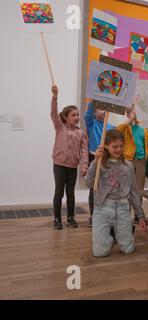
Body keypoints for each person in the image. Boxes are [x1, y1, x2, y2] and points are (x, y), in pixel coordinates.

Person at [85, 129, 147, 257]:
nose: (118, 149)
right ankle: (111, 236)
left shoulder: (128, 166)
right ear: (106, 146)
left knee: (128, 249)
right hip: (102, 208)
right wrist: (95, 161)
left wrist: (140, 215)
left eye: (121, 146)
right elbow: (88, 183)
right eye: (115, 146)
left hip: (123, 208)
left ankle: (123, 233)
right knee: (99, 252)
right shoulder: (99, 163)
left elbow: (134, 192)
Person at [50, 85, 88, 230]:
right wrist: (55, 96)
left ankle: (71, 218)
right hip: (59, 165)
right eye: (73, 115)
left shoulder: (81, 132)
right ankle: (57, 218)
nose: (77, 117)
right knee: (59, 192)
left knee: (70, 193)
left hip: (73, 166)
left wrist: (84, 165)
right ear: (65, 117)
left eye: (78, 115)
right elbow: (53, 113)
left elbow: (84, 150)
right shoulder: (59, 127)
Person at [116, 108, 148, 225]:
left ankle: (138, 214)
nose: (136, 114)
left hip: (141, 161)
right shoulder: (125, 128)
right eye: (134, 112)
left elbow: (146, 145)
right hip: (128, 160)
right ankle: (126, 214)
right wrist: (129, 121)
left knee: (139, 189)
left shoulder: (144, 130)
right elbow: (118, 131)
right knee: (127, 188)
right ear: (128, 114)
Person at [84, 102, 114, 227]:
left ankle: (105, 213)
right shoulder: (92, 124)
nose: (103, 111)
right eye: (100, 109)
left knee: (107, 185)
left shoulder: (111, 127)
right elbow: (87, 116)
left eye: (105, 110)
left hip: (107, 159)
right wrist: (94, 101)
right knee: (94, 187)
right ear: (95, 112)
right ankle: (93, 214)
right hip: (94, 157)